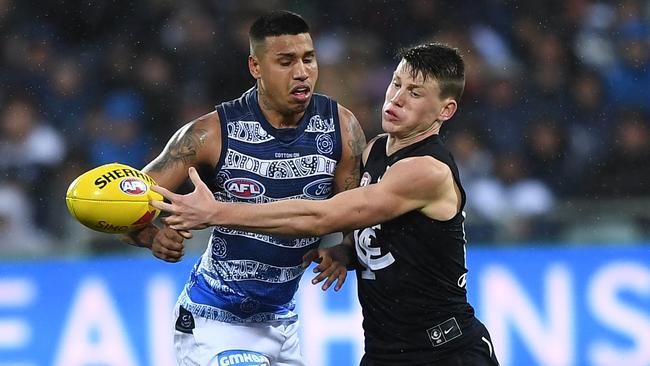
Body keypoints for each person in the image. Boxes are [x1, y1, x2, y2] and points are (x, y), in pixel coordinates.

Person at [153, 43, 499, 365]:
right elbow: (383, 233)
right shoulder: (376, 151)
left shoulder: (427, 170)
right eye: (396, 84)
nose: (396, 98)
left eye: (415, 92)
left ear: (446, 110)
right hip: (386, 352)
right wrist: (346, 253)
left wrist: (217, 212)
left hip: (445, 352)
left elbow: (322, 216)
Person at [123, 10, 365, 366]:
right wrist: (150, 236)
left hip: (281, 325)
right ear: (255, 66)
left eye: (308, 59)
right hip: (213, 320)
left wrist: (345, 250)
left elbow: (354, 214)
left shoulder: (342, 129)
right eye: (285, 61)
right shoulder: (209, 135)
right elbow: (126, 203)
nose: (301, 72)